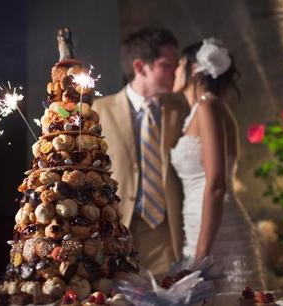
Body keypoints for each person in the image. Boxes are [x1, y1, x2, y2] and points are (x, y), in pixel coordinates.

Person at [170, 38, 265, 292]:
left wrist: (202, 256)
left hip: (216, 231)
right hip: (198, 225)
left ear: (193, 68)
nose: (174, 72)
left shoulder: (207, 106)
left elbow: (216, 183)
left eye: (179, 65)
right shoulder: (202, 109)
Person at [92, 27, 189, 276]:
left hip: (170, 232)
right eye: (167, 65)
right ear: (140, 67)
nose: (176, 72)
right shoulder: (98, 111)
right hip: (119, 232)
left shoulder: (182, 107)